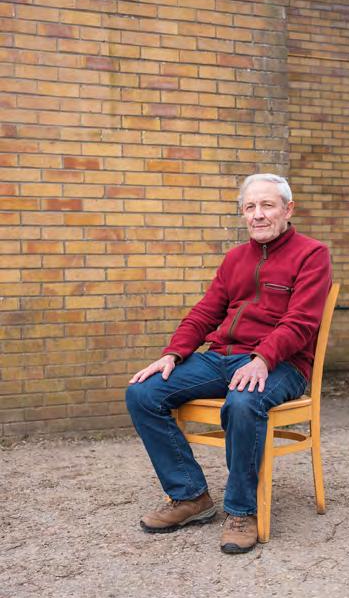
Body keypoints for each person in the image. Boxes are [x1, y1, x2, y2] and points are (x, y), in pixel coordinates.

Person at [126, 173, 332, 554]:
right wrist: (173, 353)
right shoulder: (235, 258)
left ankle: (241, 511)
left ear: (288, 209)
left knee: (243, 401)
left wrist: (262, 358)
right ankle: (190, 496)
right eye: (250, 207)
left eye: (267, 205)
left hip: (282, 364)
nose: (258, 214)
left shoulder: (312, 254)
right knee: (143, 392)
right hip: (221, 358)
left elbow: (302, 322)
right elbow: (205, 313)